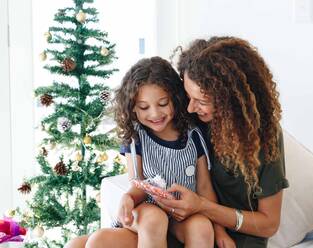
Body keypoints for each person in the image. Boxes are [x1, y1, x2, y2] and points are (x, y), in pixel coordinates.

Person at [66, 56, 226, 248]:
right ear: (133, 108)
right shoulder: (137, 137)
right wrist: (129, 198)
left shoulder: (193, 136)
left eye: (163, 103)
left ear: (175, 98)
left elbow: (204, 189)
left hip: (181, 217)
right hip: (145, 213)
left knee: (201, 227)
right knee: (152, 218)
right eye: (144, 107)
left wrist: (220, 230)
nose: (155, 114)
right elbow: (138, 185)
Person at [152, 36, 289, 248]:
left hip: (237, 242)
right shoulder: (193, 121)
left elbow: (269, 224)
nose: (190, 108)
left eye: (202, 101)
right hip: (186, 228)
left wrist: (202, 207)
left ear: (229, 100)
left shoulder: (264, 136)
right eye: (189, 96)